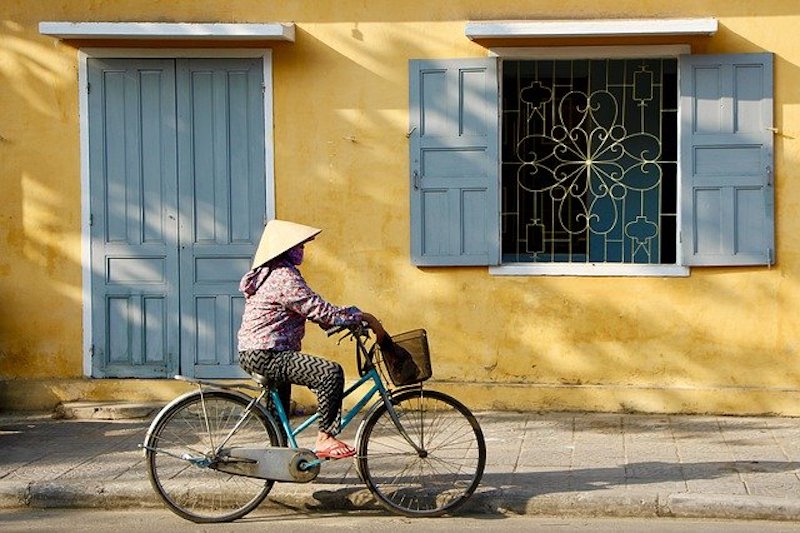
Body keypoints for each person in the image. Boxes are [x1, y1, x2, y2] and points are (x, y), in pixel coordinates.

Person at [237, 219, 385, 460]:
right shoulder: (283, 277)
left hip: (261, 352)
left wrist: (339, 321)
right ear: (285, 250)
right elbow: (317, 309)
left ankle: (279, 460)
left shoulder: (272, 274)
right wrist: (360, 317)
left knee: (279, 417)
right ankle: (325, 437)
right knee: (329, 373)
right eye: (299, 246)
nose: (302, 251)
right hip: (268, 354)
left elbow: (308, 310)